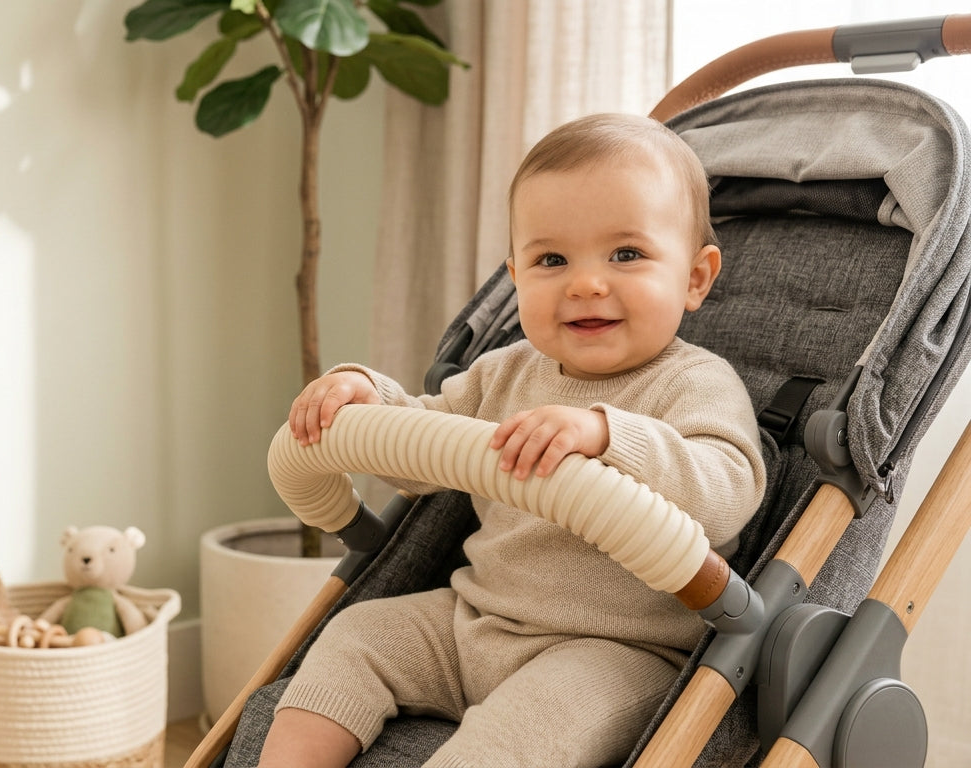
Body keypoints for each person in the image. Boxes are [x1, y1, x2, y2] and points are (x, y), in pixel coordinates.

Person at [256, 113, 768, 768]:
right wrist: (363, 394)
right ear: (517, 275)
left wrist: (607, 435)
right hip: (475, 621)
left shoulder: (695, 384)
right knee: (353, 637)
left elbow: (726, 491)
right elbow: (420, 449)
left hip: (610, 654)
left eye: (627, 254)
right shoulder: (504, 373)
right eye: (552, 259)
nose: (585, 282)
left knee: (517, 737)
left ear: (695, 278)